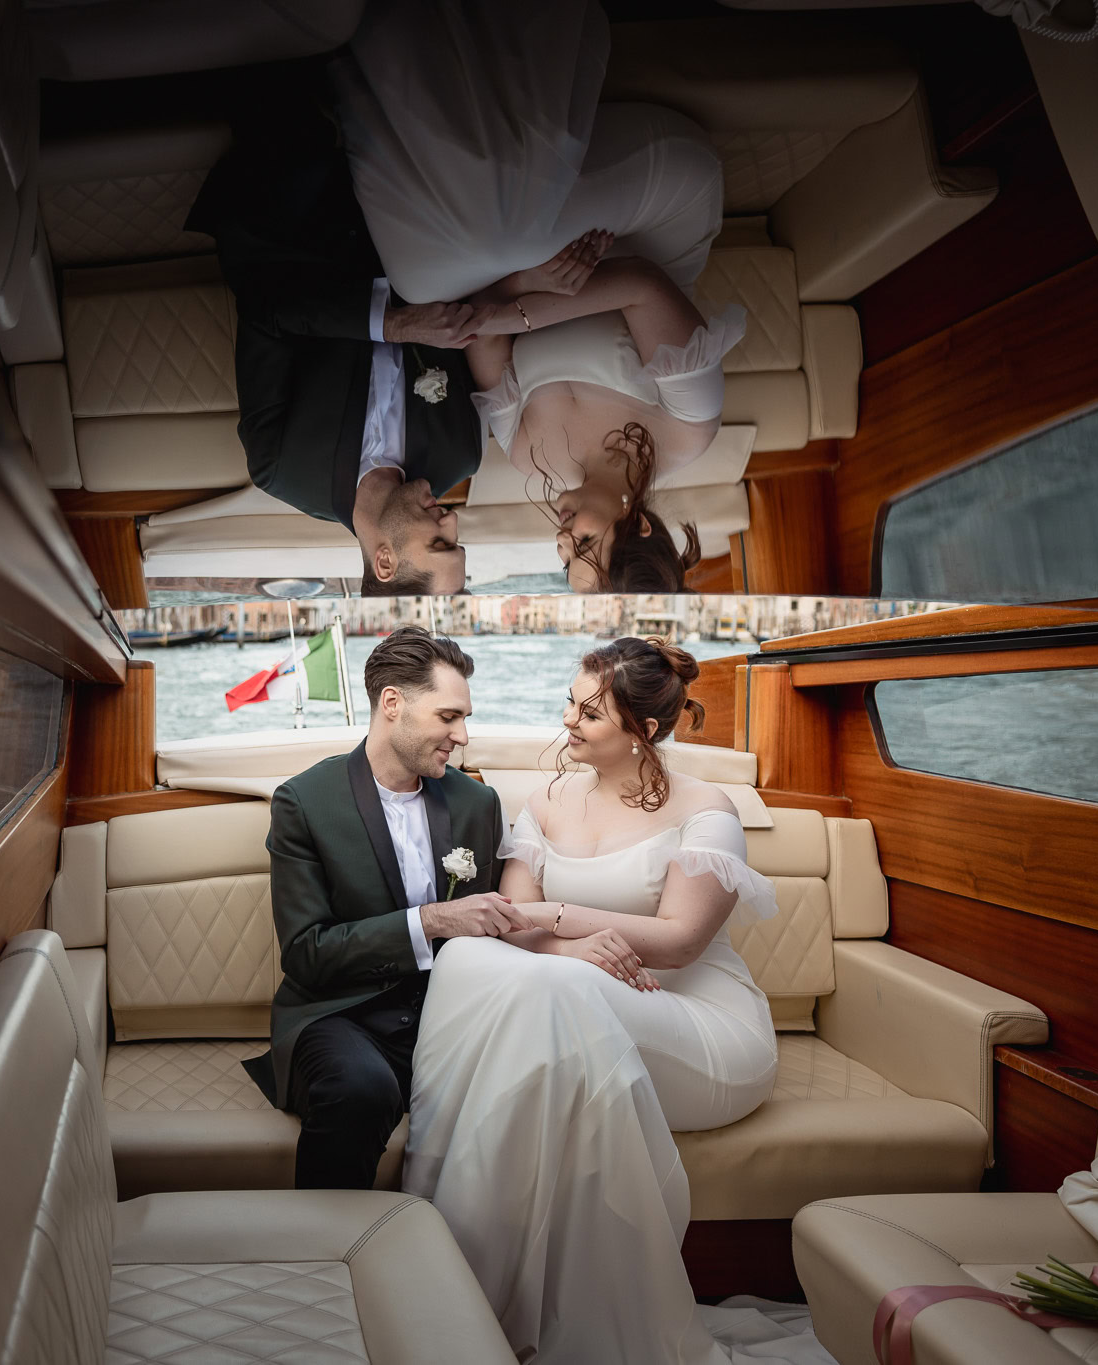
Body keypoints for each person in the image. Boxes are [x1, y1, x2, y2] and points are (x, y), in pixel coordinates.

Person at [406, 638, 834, 1364]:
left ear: (645, 729)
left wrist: (562, 921)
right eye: (570, 701)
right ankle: (462, 1295)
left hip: (702, 1027)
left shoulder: (706, 809)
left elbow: (677, 942)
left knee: (557, 994)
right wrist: (565, 945)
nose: (567, 720)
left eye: (590, 711)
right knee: (473, 955)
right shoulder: (545, 800)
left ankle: (487, 1295)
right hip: (578, 997)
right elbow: (515, 926)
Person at [332, 0, 742, 590]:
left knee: (431, 277)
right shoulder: (687, 429)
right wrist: (516, 308)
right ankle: (379, 52)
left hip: (527, 246)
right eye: (582, 545)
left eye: (560, 556)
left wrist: (522, 290)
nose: (560, 536)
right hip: (649, 211)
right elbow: (641, 285)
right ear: (639, 526)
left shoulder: (531, 457)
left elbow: (476, 323)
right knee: (489, 233)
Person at [186, 71, 498, 596]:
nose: (453, 522)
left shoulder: (280, 468)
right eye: (457, 541)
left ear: (383, 560)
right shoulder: (459, 452)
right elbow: (468, 310)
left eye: (441, 543)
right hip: (420, 221)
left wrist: (391, 324)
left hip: (300, 231)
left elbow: (265, 312)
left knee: (291, 112)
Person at [241, 626, 517, 1188]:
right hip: (340, 1013)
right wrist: (432, 920)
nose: (462, 736)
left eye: (464, 718)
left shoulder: (477, 804)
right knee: (361, 1090)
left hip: (452, 1013)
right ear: (393, 704)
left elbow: (499, 926)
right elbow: (306, 954)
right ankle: (326, 1257)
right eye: (448, 717)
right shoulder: (305, 803)